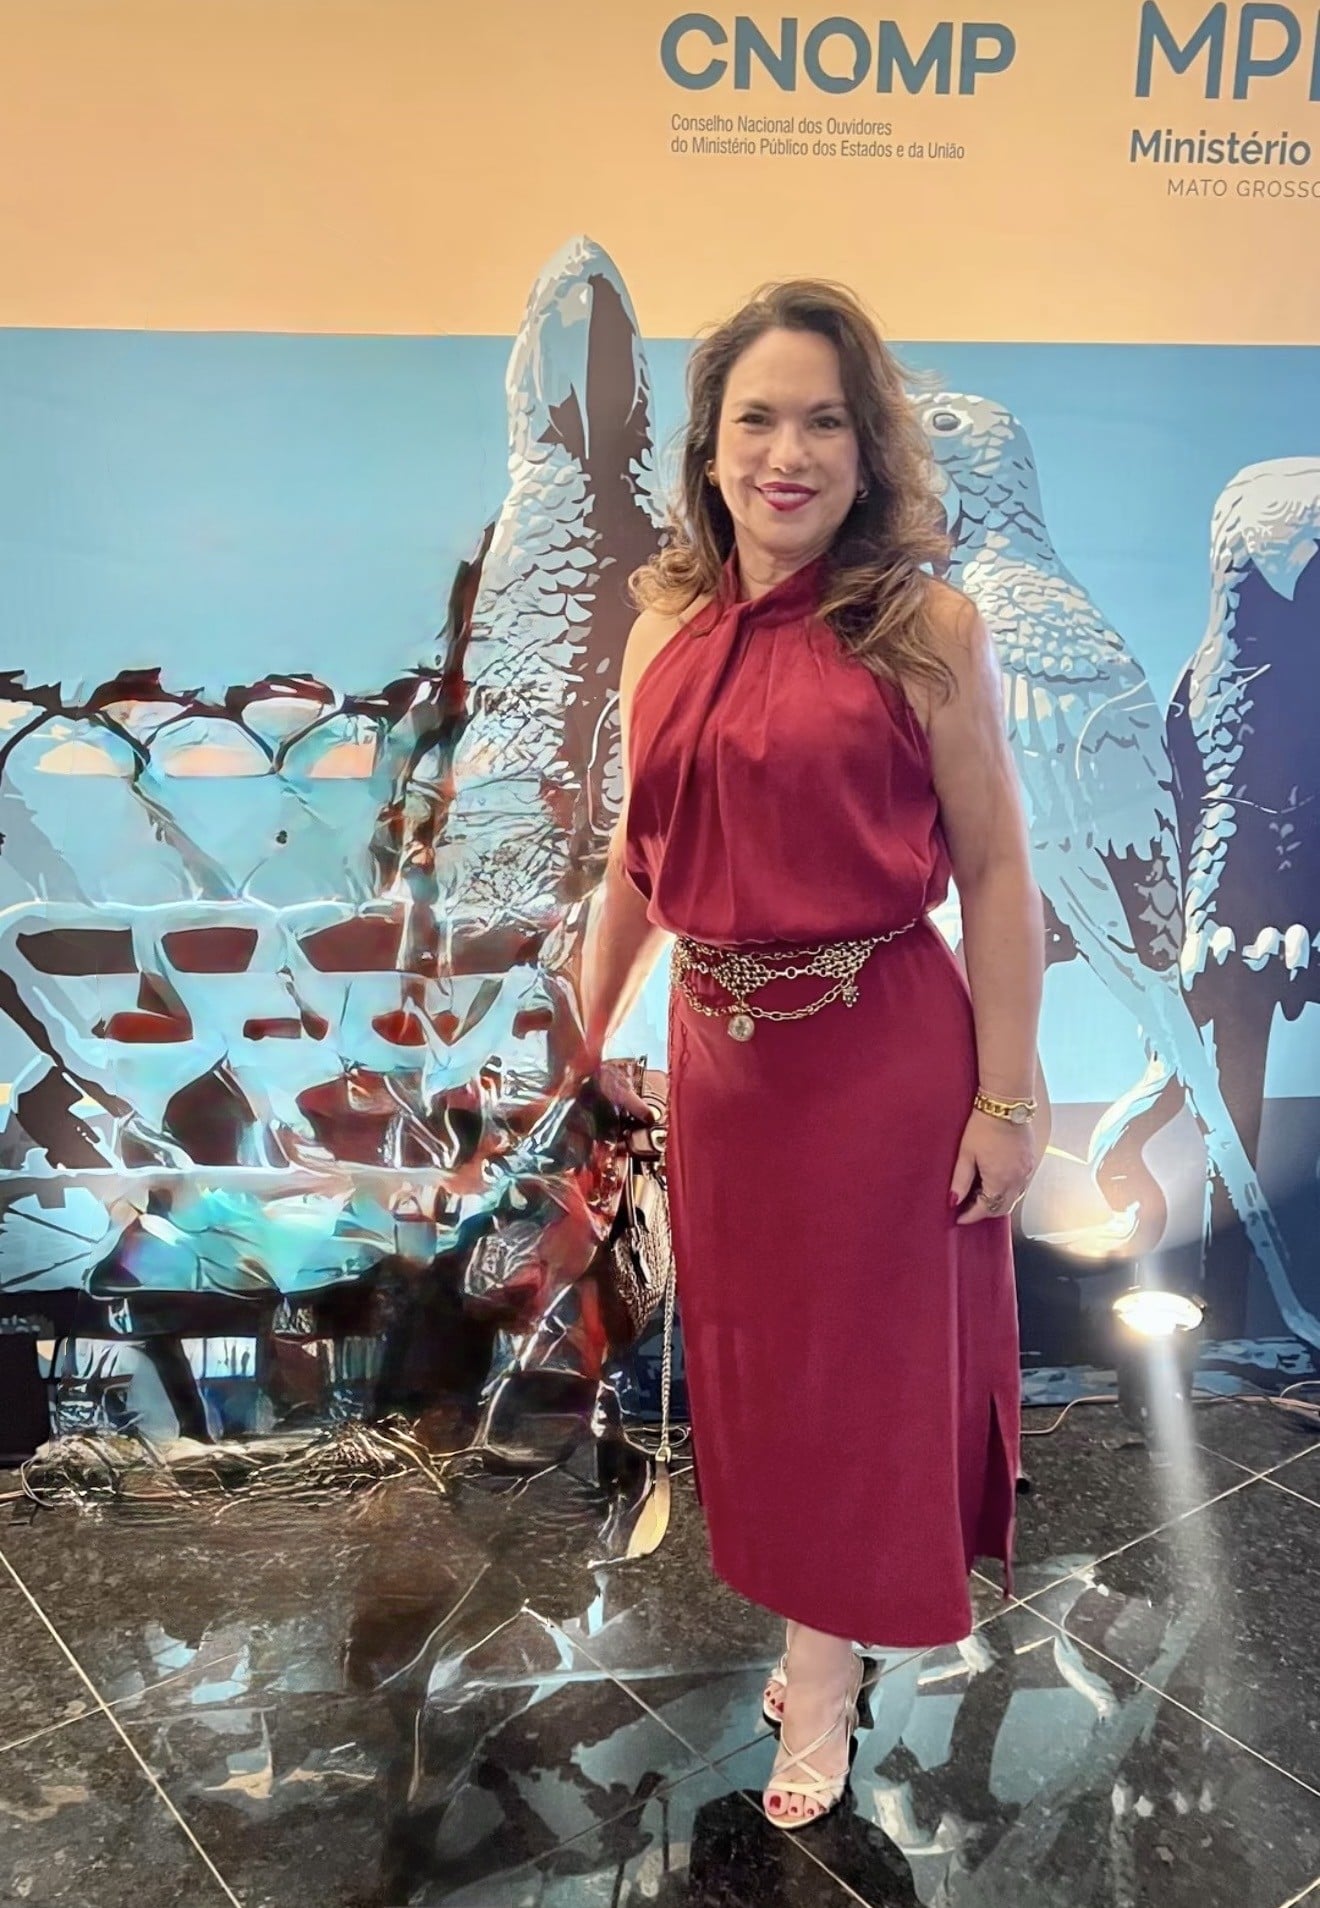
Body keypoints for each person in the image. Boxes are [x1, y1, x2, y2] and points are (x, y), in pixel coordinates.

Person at [576, 280, 1044, 1829]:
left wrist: (1008, 1096)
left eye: (825, 421)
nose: (789, 454)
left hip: (881, 1067)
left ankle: (824, 1675)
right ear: (709, 446)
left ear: (868, 448)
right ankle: (817, 1627)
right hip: (726, 1072)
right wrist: (582, 1033)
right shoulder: (662, 627)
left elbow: (999, 876)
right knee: (764, 1381)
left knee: (857, 1386)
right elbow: (639, 858)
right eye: (758, 419)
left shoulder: (930, 628)